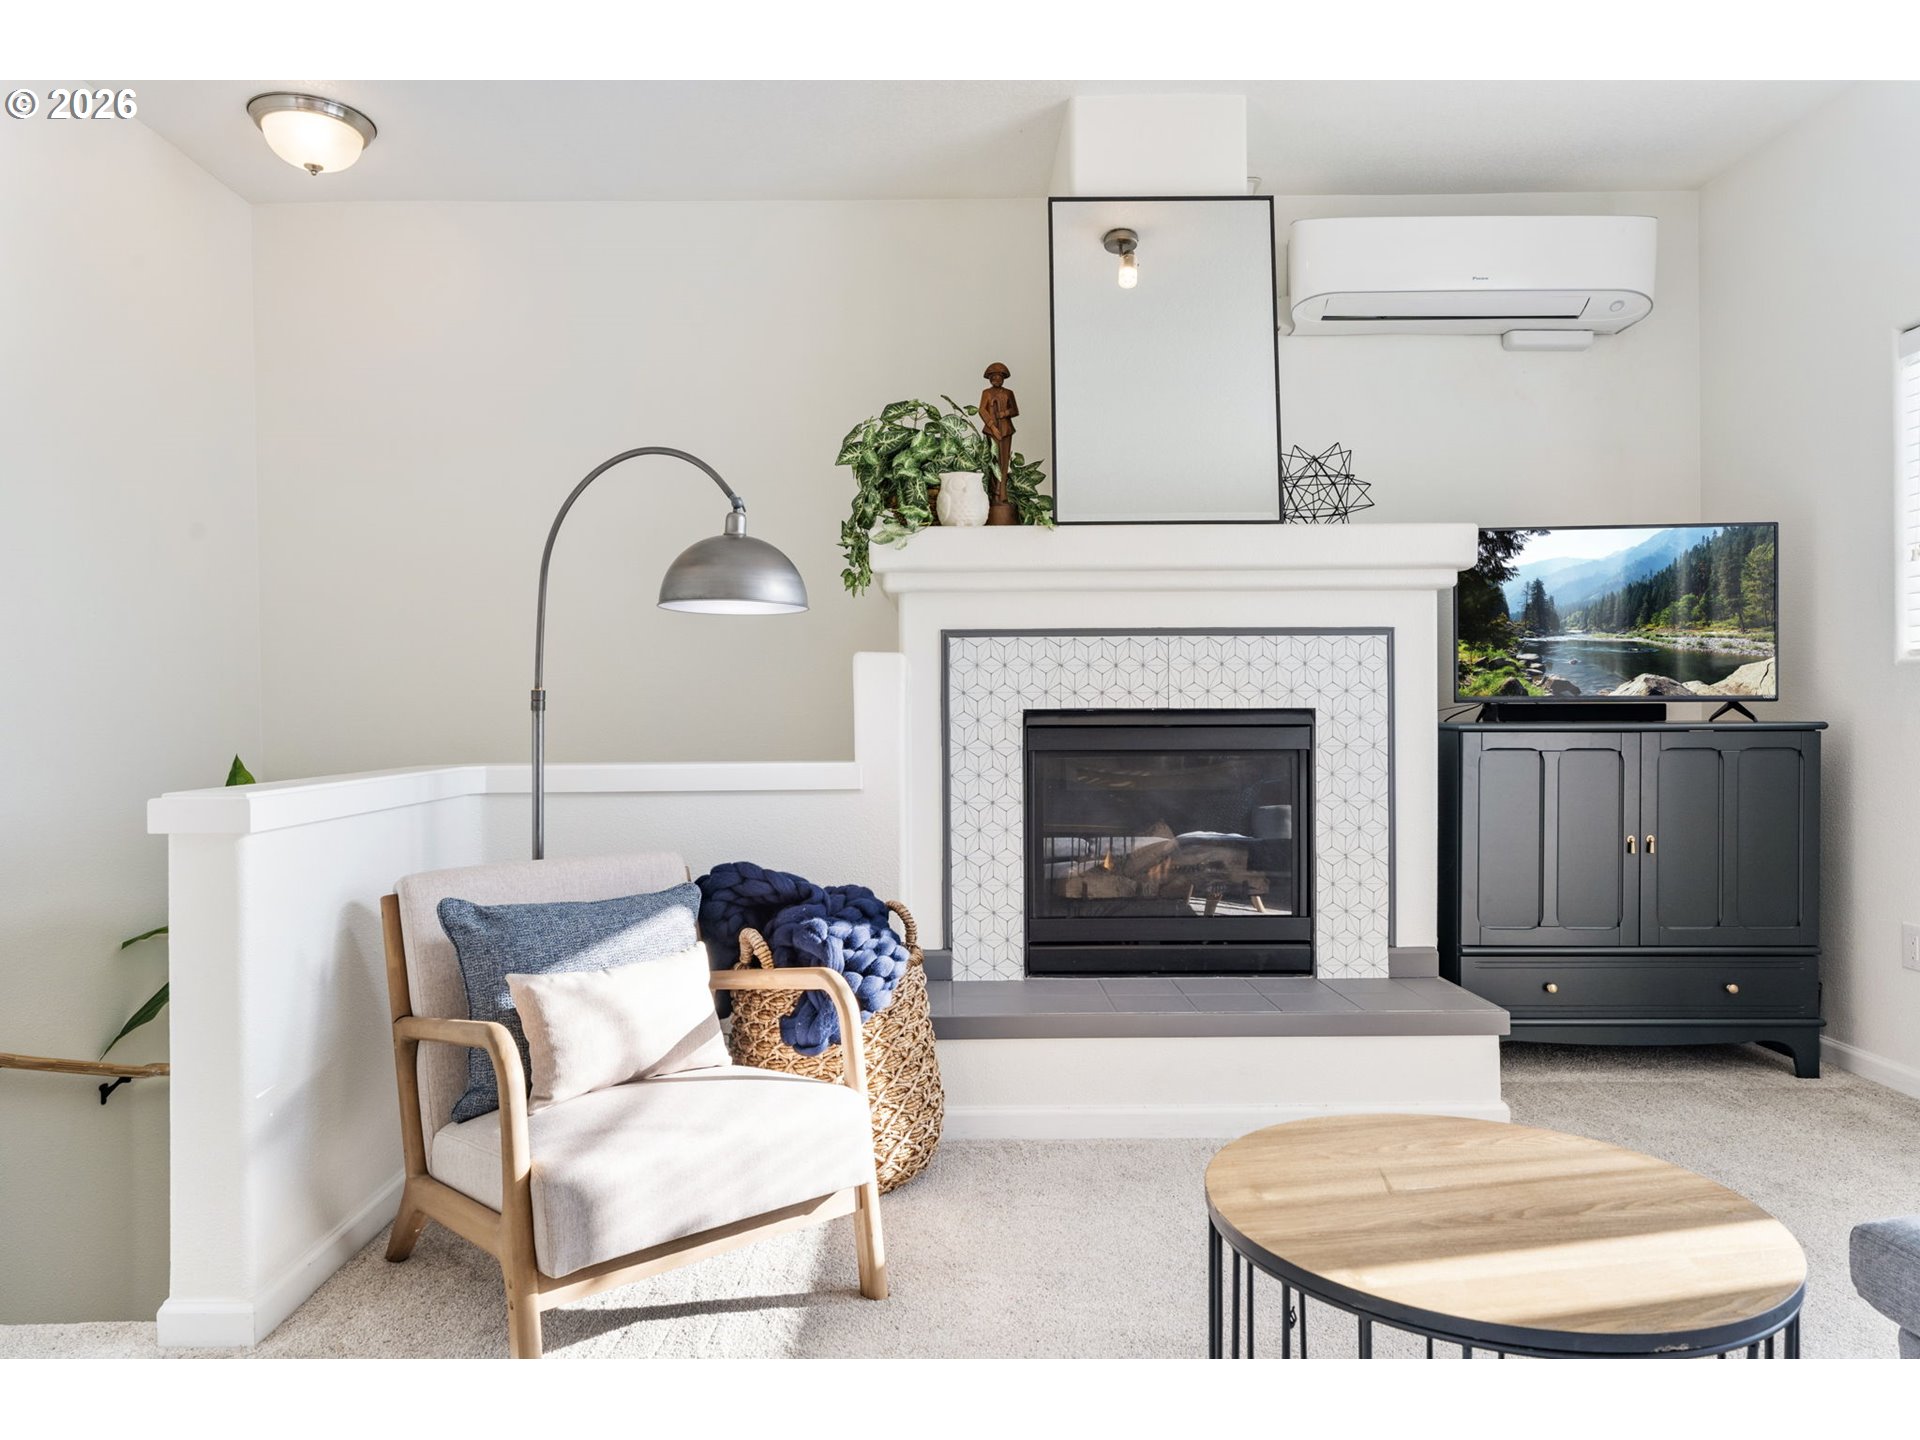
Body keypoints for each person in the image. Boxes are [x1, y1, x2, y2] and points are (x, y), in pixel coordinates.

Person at [977, 362, 1019, 517]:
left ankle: (1003, 494)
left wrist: (1003, 414)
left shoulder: (1008, 393)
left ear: (1003, 378)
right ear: (989, 378)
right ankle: (993, 494)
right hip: (992, 431)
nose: (996, 379)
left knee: (1004, 462)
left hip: (1006, 430)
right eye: (993, 376)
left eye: (999, 376)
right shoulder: (986, 393)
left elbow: (1015, 410)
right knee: (993, 461)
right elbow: (982, 410)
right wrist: (992, 426)